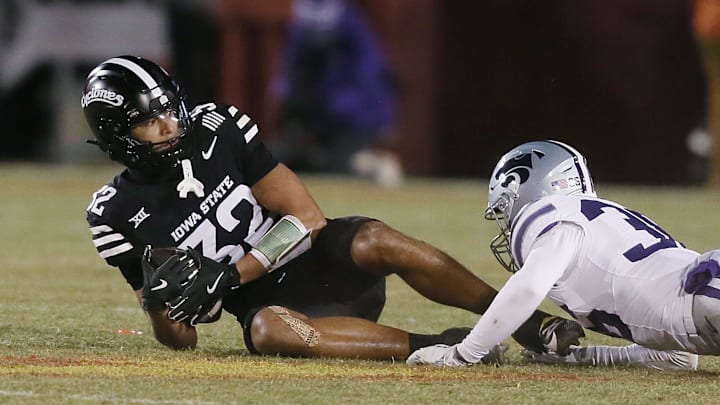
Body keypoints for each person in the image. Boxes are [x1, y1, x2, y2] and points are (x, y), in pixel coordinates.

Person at [81, 56, 584, 360]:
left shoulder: (220, 128)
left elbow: (306, 218)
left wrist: (230, 275)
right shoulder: (114, 214)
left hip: (320, 261)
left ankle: (525, 322)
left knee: (375, 236)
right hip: (284, 313)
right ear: (118, 134)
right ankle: (439, 345)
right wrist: (159, 303)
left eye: (169, 107)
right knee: (265, 331)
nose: (169, 124)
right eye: (150, 120)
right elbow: (181, 342)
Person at [407, 140, 704, 370]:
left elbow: (530, 287)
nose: (507, 223)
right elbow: (678, 358)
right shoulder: (601, 220)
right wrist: (587, 357)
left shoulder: (549, 213)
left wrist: (462, 354)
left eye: (504, 209)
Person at [270, 0, 403, 187]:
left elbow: (372, 74)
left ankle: (371, 162)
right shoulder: (304, 19)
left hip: (353, 117)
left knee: (336, 168)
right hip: (319, 114)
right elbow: (292, 69)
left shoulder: (348, 22)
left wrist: (385, 119)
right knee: (283, 161)